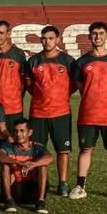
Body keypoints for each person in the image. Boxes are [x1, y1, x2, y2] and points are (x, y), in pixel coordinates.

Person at [71, 22, 107, 201]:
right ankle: (80, 187)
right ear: (89, 37)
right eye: (94, 33)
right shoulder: (81, 62)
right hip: (88, 115)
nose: (98, 36)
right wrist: (94, 99)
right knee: (85, 150)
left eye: (101, 33)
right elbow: (81, 87)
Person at [24, 25, 78, 196]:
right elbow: (29, 85)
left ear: (57, 40)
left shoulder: (68, 61)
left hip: (61, 113)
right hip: (38, 113)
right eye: (44, 38)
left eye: (51, 38)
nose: (47, 41)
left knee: (62, 150)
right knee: (37, 149)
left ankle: (63, 183)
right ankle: (39, 181)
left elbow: (74, 85)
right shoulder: (33, 61)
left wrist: (60, 96)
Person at [0, 118, 52, 214]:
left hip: (33, 190)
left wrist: (34, 164)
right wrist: (19, 163)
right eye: (16, 131)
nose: (18, 134)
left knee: (43, 165)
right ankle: (9, 200)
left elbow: (49, 157)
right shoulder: (8, 146)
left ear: (30, 132)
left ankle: (40, 201)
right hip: (15, 189)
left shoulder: (37, 147)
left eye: (22, 131)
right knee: (5, 164)